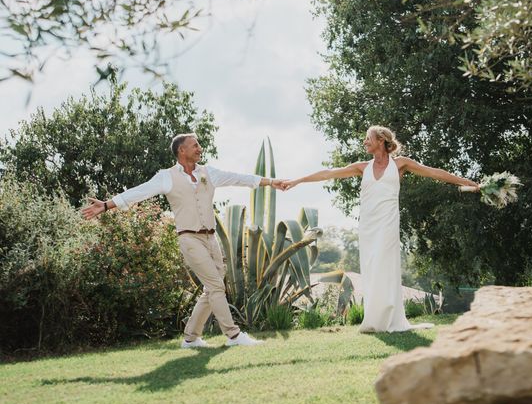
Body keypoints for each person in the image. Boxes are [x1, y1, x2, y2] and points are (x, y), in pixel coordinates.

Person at [81, 133, 285, 348]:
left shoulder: (209, 172)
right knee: (216, 286)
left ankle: (191, 338)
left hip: (211, 237)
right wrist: (106, 205)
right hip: (189, 238)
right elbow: (138, 192)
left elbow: (238, 178)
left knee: (212, 288)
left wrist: (271, 182)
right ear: (182, 150)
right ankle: (233, 336)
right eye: (195, 145)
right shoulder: (166, 177)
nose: (199, 148)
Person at [282, 126, 479, 333]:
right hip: (367, 225)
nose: (365, 142)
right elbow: (328, 173)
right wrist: (297, 180)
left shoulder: (401, 164)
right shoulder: (362, 167)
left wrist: (465, 182)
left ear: (381, 140)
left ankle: (390, 319)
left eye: (368, 138)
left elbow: (434, 172)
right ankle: (374, 320)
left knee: (385, 266)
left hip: (388, 222)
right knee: (371, 268)